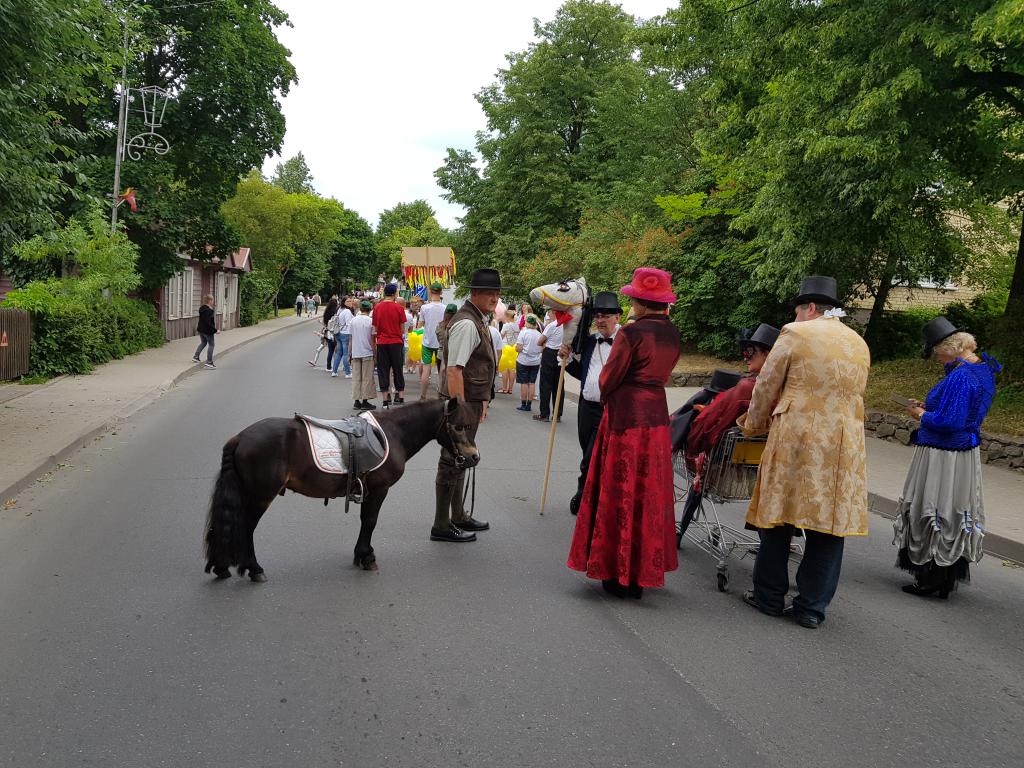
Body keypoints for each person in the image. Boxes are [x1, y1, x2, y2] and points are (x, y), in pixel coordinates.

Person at [738, 276, 870, 629]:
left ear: (810, 308)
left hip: (798, 437)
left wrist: (752, 424)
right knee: (828, 526)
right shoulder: (858, 342)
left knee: (778, 516)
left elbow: (767, 383)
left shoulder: (796, 333)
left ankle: (768, 597)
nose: (795, 315)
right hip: (843, 446)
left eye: (798, 309)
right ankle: (811, 607)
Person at [567, 268, 681, 599]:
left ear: (640, 302)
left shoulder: (631, 334)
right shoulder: (673, 334)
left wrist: (609, 392)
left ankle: (616, 571)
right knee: (648, 492)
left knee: (620, 490)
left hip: (626, 419)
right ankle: (641, 570)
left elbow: (608, 379)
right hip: (656, 418)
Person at [893, 317, 1001, 599]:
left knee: (934, 507)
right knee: (952, 510)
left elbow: (951, 421)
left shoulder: (962, 376)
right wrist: (929, 406)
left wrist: (922, 415)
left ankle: (931, 576)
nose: (936, 358)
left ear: (949, 347)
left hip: (944, 454)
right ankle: (941, 575)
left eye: (936, 351)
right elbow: (960, 411)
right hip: (963, 453)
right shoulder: (979, 369)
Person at [677, 324, 779, 538]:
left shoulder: (746, 388)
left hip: (730, 459)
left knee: (704, 456)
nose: (745, 357)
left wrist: (691, 447)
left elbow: (708, 426)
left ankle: (681, 530)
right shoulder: (786, 387)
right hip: (766, 461)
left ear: (768, 354)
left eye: (750, 351)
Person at [431, 268, 500, 543]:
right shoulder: (468, 323)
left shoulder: (477, 319)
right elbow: (454, 371)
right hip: (459, 402)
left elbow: (477, 368)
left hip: (469, 401)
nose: (494, 298)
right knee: (452, 460)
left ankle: (457, 515)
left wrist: (482, 401)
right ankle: (442, 524)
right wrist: (459, 409)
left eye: (496, 293)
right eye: (488, 293)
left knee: (460, 460)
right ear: (474, 294)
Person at [565, 292, 622, 516]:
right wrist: (568, 360)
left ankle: (583, 496)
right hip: (586, 408)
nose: (601, 320)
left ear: (617, 317)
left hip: (609, 410)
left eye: (606, 316)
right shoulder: (589, 341)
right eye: (598, 316)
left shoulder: (625, 343)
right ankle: (593, 493)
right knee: (586, 453)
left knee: (591, 458)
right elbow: (584, 374)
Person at [372, 284, 408, 407]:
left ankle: (385, 400)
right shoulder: (399, 308)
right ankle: (401, 398)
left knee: (383, 370)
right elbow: (402, 328)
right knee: (397, 369)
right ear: (394, 294)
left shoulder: (377, 307)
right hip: (396, 342)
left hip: (382, 342)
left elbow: (375, 327)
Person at [534, 311, 566, 422]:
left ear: (554, 313)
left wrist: (546, 341)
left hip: (549, 353)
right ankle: (557, 415)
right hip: (561, 353)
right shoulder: (567, 325)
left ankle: (544, 414)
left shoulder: (552, 325)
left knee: (545, 385)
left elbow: (540, 341)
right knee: (559, 385)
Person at [418, 282, 447, 400]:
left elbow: (420, 326)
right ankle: (440, 395)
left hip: (427, 342)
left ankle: (423, 395)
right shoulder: (445, 308)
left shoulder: (424, 307)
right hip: (441, 342)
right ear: (440, 293)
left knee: (426, 369)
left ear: (430, 292)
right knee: (441, 370)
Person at [348, 300, 377, 410]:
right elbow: (373, 340)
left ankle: (356, 401)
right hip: (367, 352)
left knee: (356, 377)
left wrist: (349, 353)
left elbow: (351, 339)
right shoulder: (371, 322)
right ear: (370, 310)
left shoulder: (353, 321)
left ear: (360, 309)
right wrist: (375, 354)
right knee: (367, 377)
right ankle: (365, 401)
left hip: (356, 352)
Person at [514, 315, 542, 412]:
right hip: (535, 361)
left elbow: (519, 348)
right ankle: (529, 405)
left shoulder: (523, 332)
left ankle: (523, 404)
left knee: (524, 383)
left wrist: (517, 348)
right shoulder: (539, 334)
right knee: (532, 382)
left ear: (527, 323)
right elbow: (542, 348)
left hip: (523, 360)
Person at [192, 294, 218, 369]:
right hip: (207, 331)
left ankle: (196, 356)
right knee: (211, 345)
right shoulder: (209, 311)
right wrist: (215, 330)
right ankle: (209, 362)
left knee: (203, 342)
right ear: (209, 301)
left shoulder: (201, 309)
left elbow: (203, 320)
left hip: (201, 330)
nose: (213, 302)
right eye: (212, 300)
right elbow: (208, 322)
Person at [331, 297, 354, 378]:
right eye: (348, 301)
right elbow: (349, 324)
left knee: (339, 353)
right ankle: (347, 373)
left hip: (339, 333)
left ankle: (334, 371)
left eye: (351, 301)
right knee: (346, 354)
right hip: (346, 334)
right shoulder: (347, 311)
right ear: (344, 302)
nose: (350, 302)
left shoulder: (340, 310)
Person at [498, 307, 519, 393]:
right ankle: (510, 389)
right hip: (514, 348)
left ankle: (504, 388)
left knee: (504, 368)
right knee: (512, 368)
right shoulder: (517, 325)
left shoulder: (506, 325)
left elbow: (501, 336)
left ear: (508, 316)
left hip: (506, 347)